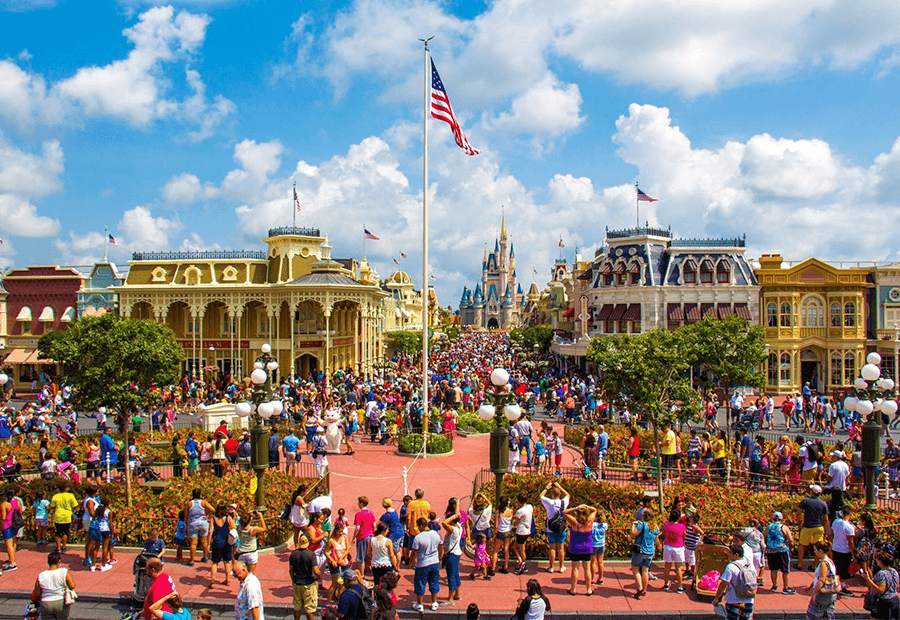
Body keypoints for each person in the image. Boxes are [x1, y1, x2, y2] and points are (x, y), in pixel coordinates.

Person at [714, 543, 757, 620]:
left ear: (736, 555)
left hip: (734, 600)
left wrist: (717, 598)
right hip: (749, 600)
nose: (728, 554)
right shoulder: (749, 564)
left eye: (730, 553)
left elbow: (724, 584)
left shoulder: (731, 567)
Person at [32, 551, 76, 620]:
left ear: (48, 562)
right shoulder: (63, 572)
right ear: (59, 561)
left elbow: (37, 592)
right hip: (61, 602)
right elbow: (72, 585)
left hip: (46, 603)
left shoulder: (41, 575)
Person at [410, 517, 442, 611]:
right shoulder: (436, 534)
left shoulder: (418, 537)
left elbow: (414, 552)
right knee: (434, 582)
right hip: (434, 562)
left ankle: (420, 604)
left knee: (420, 583)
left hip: (423, 564)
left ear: (421, 526)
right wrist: (440, 556)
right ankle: (434, 603)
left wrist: (412, 562)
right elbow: (440, 546)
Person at [563, 504, 596, 596]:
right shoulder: (590, 521)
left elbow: (564, 513)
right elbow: (595, 510)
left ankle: (573, 589)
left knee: (575, 569)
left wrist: (575, 508)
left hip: (575, 548)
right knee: (587, 569)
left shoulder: (575, 522)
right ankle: (589, 589)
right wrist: (587, 506)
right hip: (587, 548)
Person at [795, 484, 830, 571]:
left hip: (807, 526)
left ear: (812, 492)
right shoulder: (823, 503)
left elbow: (799, 512)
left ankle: (799, 564)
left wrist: (799, 522)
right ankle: (815, 566)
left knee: (802, 545)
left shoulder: (806, 500)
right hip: (819, 527)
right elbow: (826, 519)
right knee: (819, 547)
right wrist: (825, 531)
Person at [859, 551, 900, 620]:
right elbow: (897, 586)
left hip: (883, 602)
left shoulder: (882, 574)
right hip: (894, 599)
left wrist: (868, 579)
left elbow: (881, 590)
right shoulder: (894, 571)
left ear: (881, 561)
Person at [539, 481, 570, 573]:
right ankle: (561, 566)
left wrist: (547, 487)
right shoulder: (563, 502)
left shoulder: (549, 502)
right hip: (561, 528)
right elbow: (568, 495)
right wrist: (560, 487)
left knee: (552, 547)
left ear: (552, 495)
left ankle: (551, 567)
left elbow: (541, 496)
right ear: (559, 494)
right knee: (561, 548)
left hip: (551, 528)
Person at [805, 540, 839, 620]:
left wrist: (814, 593)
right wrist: (811, 586)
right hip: (831, 593)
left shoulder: (823, 564)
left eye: (815, 550)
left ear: (820, 551)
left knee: (813, 615)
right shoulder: (830, 561)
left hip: (823, 594)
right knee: (827, 615)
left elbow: (821, 579)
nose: (815, 552)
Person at [630, 508, 660, 599]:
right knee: (645, 570)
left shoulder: (642, 525)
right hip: (650, 551)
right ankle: (645, 588)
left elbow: (633, 534)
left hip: (640, 550)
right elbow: (656, 539)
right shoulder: (655, 527)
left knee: (635, 569)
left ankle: (640, 588)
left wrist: (633, 525)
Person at [289, 534, 320, 620]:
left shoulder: (293, 554)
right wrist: (319, 576)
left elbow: (291, 570)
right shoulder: (311, 555)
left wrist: (293, 580)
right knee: (309, 607)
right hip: (308, 584)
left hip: (297, 583)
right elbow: (316, 570)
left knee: (297, 606)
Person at [183, 488, 213, 566]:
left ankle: (192, 560)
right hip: (203, 522)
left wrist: (186, 524)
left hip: (193, 523)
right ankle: (205, 557)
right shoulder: (203, 502)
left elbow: (186, 515)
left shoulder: (189, 503)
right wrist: (206, 513)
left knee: (193, 543)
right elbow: (213, 509)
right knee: (204, 541)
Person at [831, 506, 856, 596]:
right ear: (850, 514)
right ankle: (842, 586)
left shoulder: (835, 522)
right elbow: (851, 542)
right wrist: (853, 554)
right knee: (844, 570)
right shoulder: (849, 527)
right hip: (845, 551)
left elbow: (832, 533)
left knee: (836, 569)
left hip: (835, 548)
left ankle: (835, 585)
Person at [661, 508, 686, 593]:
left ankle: (666, 584)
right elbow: (684, 536)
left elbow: (664, 534)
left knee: (667, 566)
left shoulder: (666, 525)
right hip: (678, 547)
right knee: (678, 567)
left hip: (668, 546)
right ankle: (679, 586)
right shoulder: (682, 526)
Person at [49, 482, 78, 553]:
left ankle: (58, 547)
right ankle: (64, 547)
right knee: (65, 532)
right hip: (67, 516)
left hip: (58, 516)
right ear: (66, 488)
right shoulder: (70, 495)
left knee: (58, 532)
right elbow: (75, 505)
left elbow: (52, 506)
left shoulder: (55, 496)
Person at [441, 510, 463, 603]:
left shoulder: (453, 530)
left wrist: (453, 517)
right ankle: (457, 594)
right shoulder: (459, 527)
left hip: (451, 554)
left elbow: (443, 523)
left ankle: (450, 599)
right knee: (455, 574)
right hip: (456, 553)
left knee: (451, 576)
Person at [367, 522, 397, 587]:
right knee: (387, 585)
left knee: (377, 584)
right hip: (386, 565)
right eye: (387, 530)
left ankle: (376, 596)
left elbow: (368, 553)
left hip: (375, 565)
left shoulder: (371, 540)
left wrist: (374, 557)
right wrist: (395, 566)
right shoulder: (388, 541)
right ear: (383, 531)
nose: (388, 531)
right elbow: (392, 555)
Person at [491, 496, 514, 575]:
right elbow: (511, 520)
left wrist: (494, 535)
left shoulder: (498, 512)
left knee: (495, 550)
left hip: (500, 532)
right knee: (506, 550)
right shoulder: (511, 511)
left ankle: (493, 568)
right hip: (508, 531)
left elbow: (496, 526)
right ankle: (505, 567)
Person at [512, 493, 533, 575]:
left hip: (521, 531)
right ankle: (521, 561)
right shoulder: (530, 507)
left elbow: (516, 523)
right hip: (527, 530)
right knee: (514, 547)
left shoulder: (519, 511)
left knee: (521, 549)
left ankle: (522, 563)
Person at [353, 496, 375, 572]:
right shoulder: (371, 513)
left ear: (361, 504)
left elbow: (357, 528)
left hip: (362, 537)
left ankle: (361, 574)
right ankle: (368, 569)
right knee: (370, 554)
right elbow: (374, 525)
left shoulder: (358, 514)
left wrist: (353, 538)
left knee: (360, 557)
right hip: (370, 536)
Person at [591, 509, 608, 585]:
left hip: (594, 544)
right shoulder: (605, 525)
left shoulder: (593, 525)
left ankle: (591, 578)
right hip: (601, 544)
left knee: (593, 562)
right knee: (600, 562)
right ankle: (600, 578)